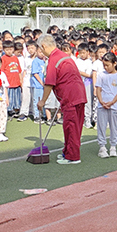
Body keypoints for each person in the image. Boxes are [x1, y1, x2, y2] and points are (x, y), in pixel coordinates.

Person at [36, 34, 87, 165]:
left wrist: (42, 101)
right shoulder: (64, 56)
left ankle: (73, 156)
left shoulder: (54, 59)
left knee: (71, 127)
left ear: (43, 46)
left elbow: (49, 82)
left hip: (71, 97)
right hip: (78, 94)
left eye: (40, 49)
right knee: (73, 126)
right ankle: (67, 152)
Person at [94, 52, 117, 159]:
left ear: (114, 63)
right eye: (104, 65)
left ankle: (113, 146)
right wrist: (101, 101)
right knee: (101, 126)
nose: (106, 67)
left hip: (114, 105)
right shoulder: (102, 75)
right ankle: (102, 147)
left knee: (114, 126)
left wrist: (112, 102)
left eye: (108, 65)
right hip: (102, 105)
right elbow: (98, 89)